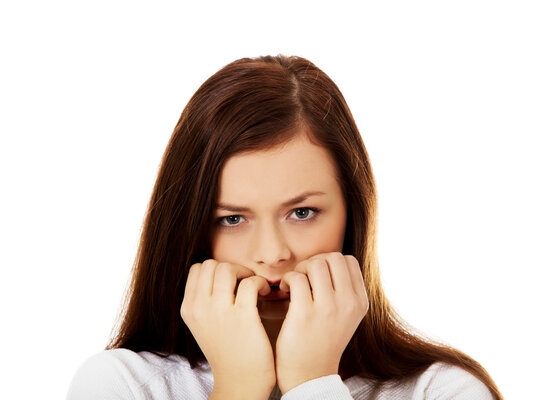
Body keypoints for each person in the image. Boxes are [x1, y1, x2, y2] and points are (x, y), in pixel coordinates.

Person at [67, 54, 503, 399]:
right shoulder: (119, 386)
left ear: (354, 215)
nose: (272, 253)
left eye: (302, 213)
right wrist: (238, 387)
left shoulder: (443, 391)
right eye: (232, 219)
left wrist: (311, 381)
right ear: (191, 230)